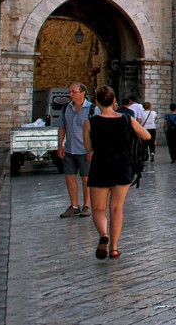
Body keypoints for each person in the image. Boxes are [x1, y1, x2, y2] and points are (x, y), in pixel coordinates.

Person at [84, 85, 151, 259]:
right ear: (114, 101)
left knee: (98, 209)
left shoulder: (89, 122)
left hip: (100, 164)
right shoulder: (126, 119)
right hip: (122, 164)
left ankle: (103, 235)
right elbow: (146, 136)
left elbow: (88, 147)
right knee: (116, 208)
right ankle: (114, 248)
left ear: (97, 102)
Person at [56, 82, 94, 218]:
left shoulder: (92, 109)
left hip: (85, 150)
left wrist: (92, 149)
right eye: (70, 92)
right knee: (69, 177)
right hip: (69, 149)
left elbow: (96, 131)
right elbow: (62, 127)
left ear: (82, 93)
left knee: (86, 178)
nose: (70, 94)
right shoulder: (67, 107)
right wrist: (60, 145)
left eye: (73, 92)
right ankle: (74, 206)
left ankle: (87, 205)